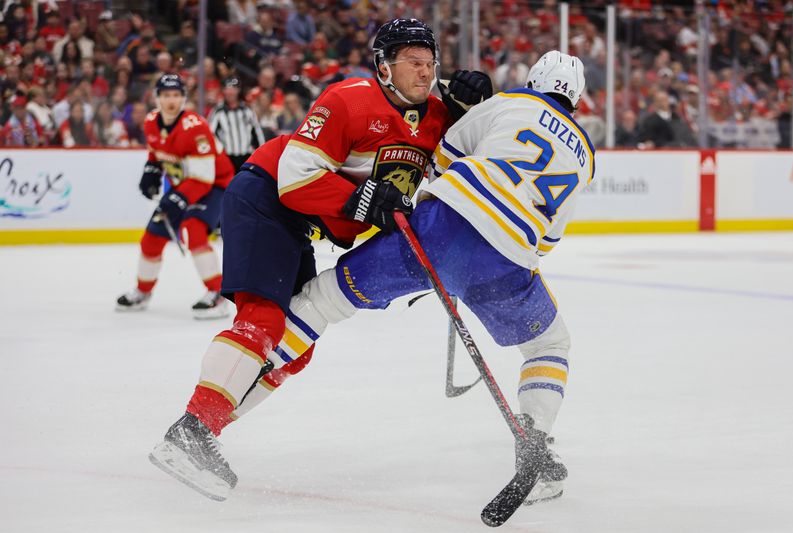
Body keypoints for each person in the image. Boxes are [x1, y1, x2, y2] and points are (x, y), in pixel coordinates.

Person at [148, 18, 493, 500]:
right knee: (264, 318)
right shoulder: (347, 100)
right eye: (411, 60)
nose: (424, 69)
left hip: (299, 222)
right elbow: (294, 176)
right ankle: (192, 430)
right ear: (384, 67)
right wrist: (366, 201)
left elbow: (460, 161)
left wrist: (477, 108)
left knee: (297, 346)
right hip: (265, 196)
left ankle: (201, 431)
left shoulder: (437, 115)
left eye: (429, 61)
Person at [229, 51, 592, 503]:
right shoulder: (586, 155)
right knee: (548, 345)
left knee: (323, 299)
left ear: (534, 79)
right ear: (576, 98)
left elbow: (442, 160)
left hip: (438, 230)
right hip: (508, 256)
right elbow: (546, 242)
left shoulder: (510, 102)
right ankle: (535, 446)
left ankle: (228, 401)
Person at [116, 74, 235, 319]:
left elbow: (203, 178)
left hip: (215, 186)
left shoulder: (196, 128)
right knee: (151, 238)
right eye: (166, 95)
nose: (172, 100)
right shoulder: (150, 122)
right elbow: (157, 154)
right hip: (186, 186)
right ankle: (143, 291)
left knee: (194, 229)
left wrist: (178, 199)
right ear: (157, 98)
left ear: (183, 98)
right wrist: (151, 171)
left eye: (176, 95)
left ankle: (217, 294)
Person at [208, 77, 265, 171]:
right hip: (227, 157)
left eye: (233, 88)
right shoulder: (218, 112)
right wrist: (217, 155)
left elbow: (257, 133)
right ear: (223, 91)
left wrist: (261, 153)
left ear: (238, 90)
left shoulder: (247, 110)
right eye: (227, 88)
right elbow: (211, 134)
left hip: (246, 156)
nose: (230, 92)